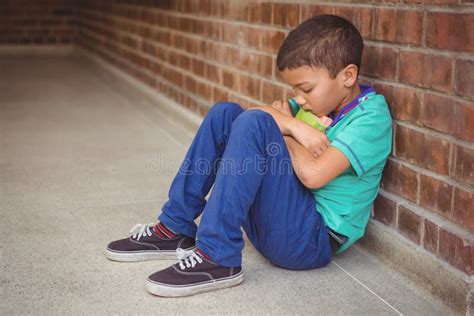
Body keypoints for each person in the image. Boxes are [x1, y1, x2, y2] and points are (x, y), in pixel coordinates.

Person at [105, 14, 393, 298]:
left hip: (310, 241)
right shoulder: (317, 104)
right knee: (226, 113)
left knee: (256, 125)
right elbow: (261, 113)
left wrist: (283, 130)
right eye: (295, 90)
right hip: (280, 222)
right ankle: (174, 227)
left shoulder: (370, 117)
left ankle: (218, 257)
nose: (299, 98)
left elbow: (313, 174)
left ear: (348, 75)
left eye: (305, 89)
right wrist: (294, 126)